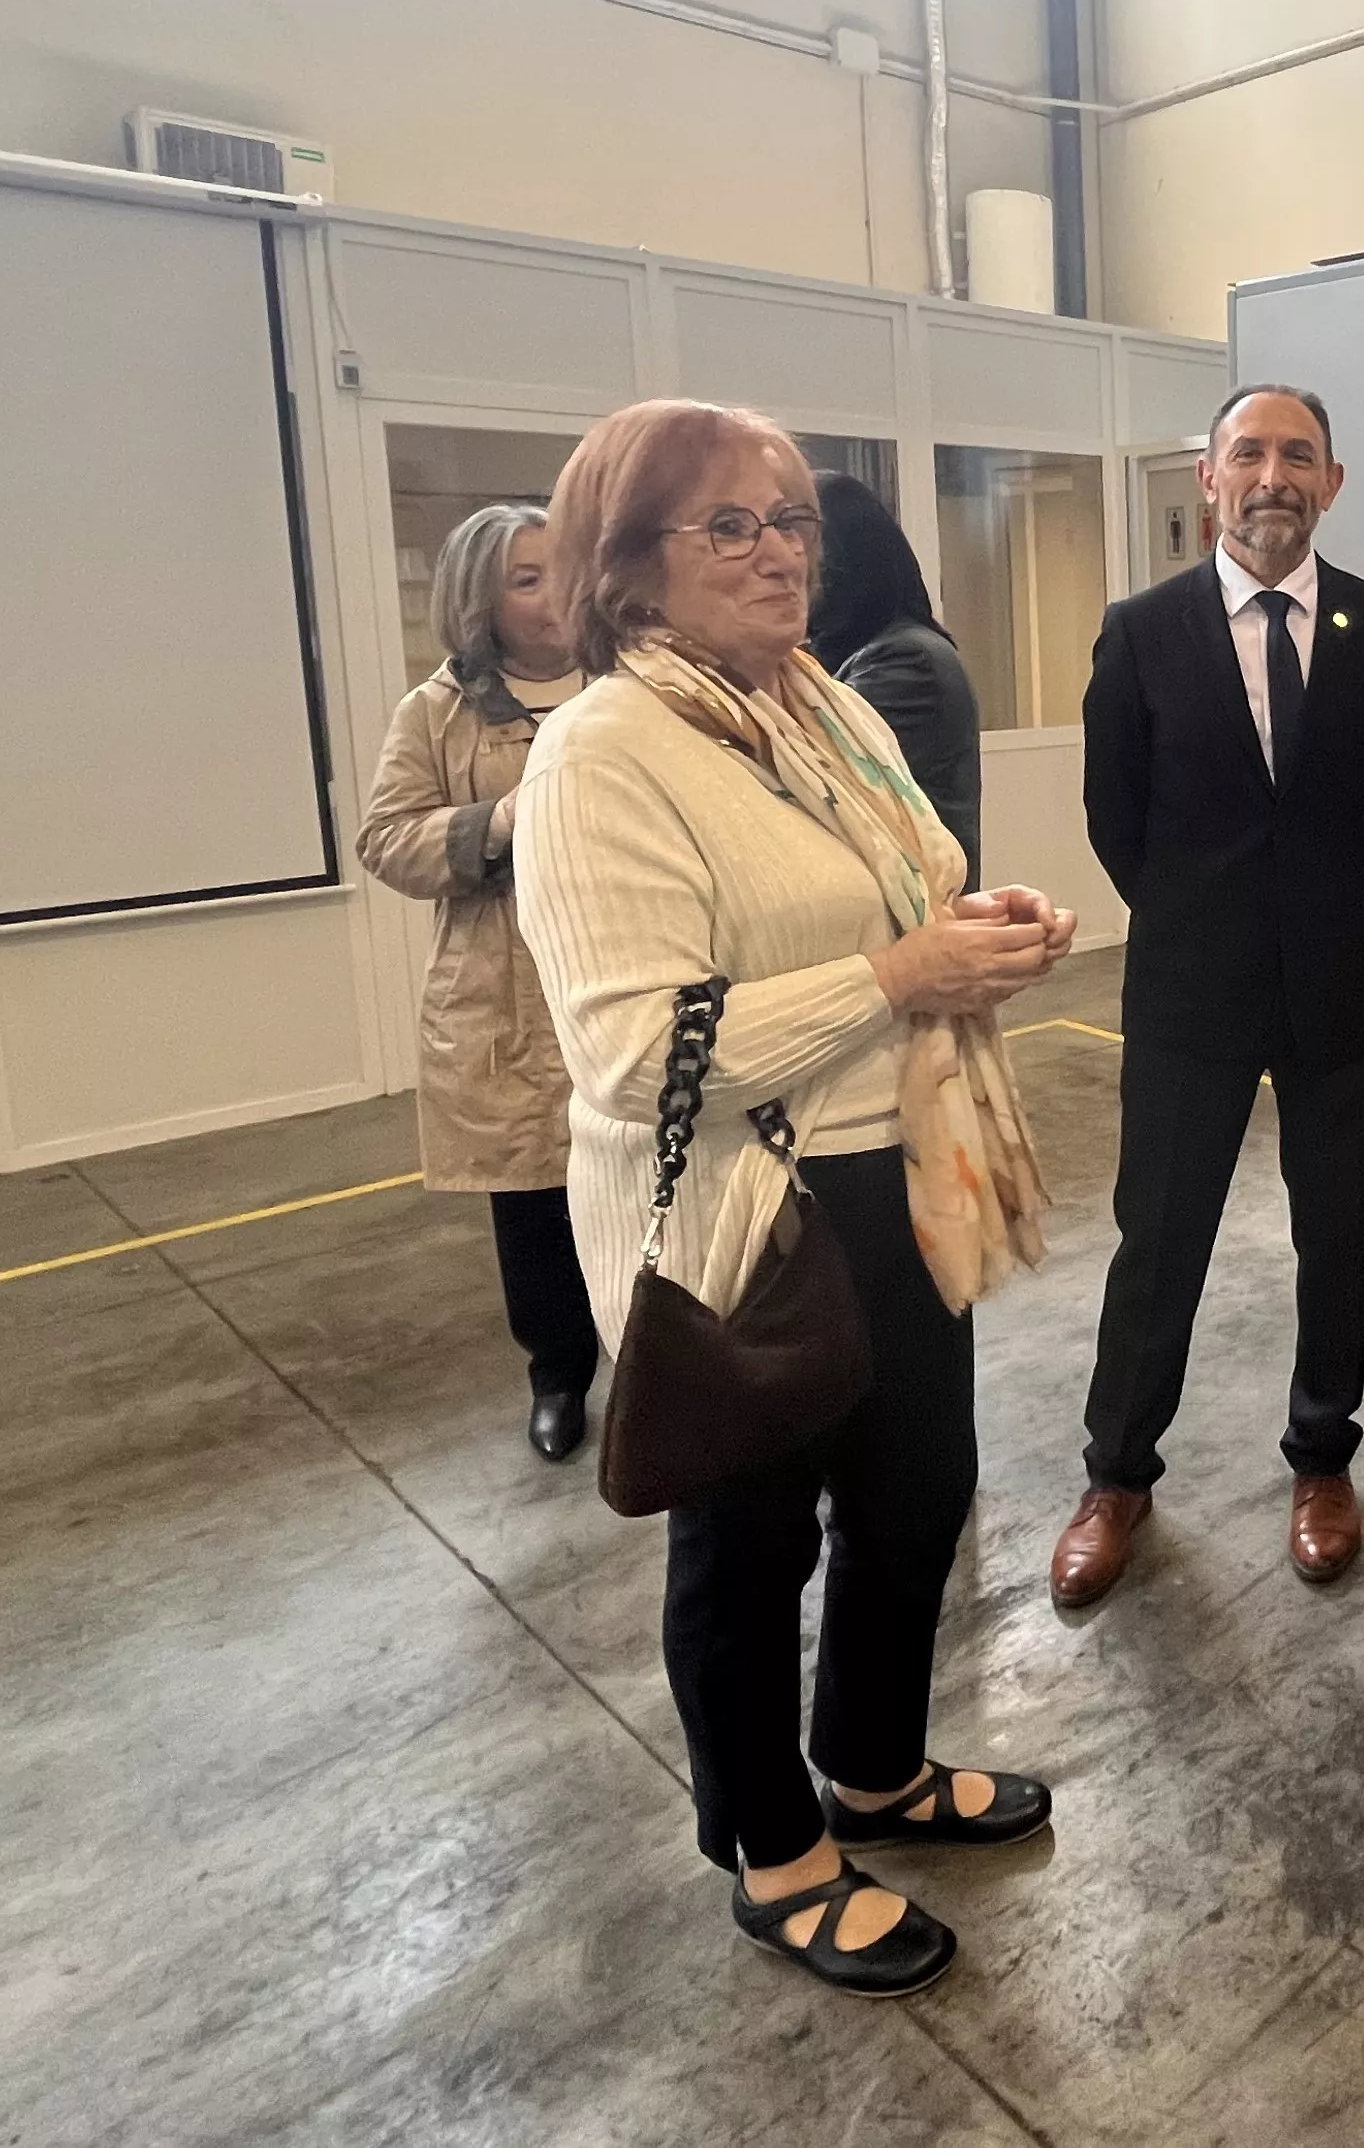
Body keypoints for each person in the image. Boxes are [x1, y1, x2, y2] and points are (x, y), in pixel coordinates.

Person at [514, 398, 1073, 1999]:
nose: (779, 552)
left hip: (898, 1168)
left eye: (792, 521)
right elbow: (633, 1052)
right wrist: (900, 973)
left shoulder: (822, 706)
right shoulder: (602, 753)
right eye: (730, 526)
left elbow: (895, 901)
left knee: (918, 1495)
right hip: (741, 1209)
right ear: (629, 569)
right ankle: (776, 1846)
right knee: (748, 1549)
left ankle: (878, 1767)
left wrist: (975, 931)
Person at [1048, 384, 1364, 1607]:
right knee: (1158, 1241)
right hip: (1188, 993)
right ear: (1209, 478)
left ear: (1332, 481)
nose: (1273, 474)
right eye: (1249, 453)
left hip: (1341, 991)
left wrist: (1320, 914)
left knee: (1341, 1239)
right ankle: (1117, 1475)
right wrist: (1207, 917)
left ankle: (1323, 1461)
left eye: (1297, 455)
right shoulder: (1140, 628)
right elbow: (1118, 819)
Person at [355, 503, 603, 1462]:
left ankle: (664, 1358)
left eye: (560, 570)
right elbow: (385, 837)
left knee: (652, 1175)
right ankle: (558, 1373)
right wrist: (497, 824)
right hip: (506, 993)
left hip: (621, 971)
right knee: (534, 1201)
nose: (554, 596)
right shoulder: (436, 712)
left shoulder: (630, 687)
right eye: (525, 580)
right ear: (479, 602)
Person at [807, 470, 984, 882]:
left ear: (841, 565)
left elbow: (813, 782)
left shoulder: (907, 661)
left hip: (916, 921)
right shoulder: (871, 650)